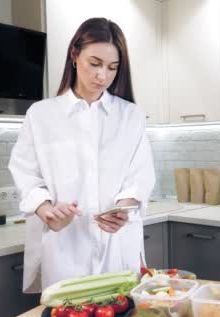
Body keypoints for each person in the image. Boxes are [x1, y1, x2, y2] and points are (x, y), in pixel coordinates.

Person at [9, 18, 155, 293]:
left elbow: (140, 174)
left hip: (117, 247)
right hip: (65, 246)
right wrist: (46, 209)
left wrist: (123, 209)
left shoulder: (131, 116)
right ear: (75, 56)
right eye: (95, 63)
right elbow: (25, 173)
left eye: (112, 67)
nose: (103, 76)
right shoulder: (41, 115)